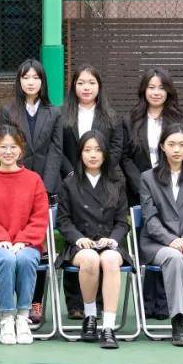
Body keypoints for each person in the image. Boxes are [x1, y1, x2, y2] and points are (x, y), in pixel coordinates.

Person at [121, 67, 183, 321]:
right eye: (151, 87)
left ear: (168, 91)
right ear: (143, 90)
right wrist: (143, 184)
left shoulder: (180, 119)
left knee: (168, 240)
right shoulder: (130, 119)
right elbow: (125, 157)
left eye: (161, 87)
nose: (156, 92)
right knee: (148, 242)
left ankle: (163, 301)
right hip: (138, 190)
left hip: (171, 190)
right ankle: (146, 300)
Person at [0, 58, 63, 325]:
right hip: (15, 186)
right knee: (15, 244)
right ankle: (16, 302)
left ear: (42, 82)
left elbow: (56, 150)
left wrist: (45, 187)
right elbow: (5, 148)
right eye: (26, 77)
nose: (31, 82)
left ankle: (36, 302)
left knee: (40, 245)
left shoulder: (54, 112)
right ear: (19, 81)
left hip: (45, 187)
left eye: (36, 77)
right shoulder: (8, 110)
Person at [0, 125, 49, 346]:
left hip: (27, 244)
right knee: (6, 259)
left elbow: (40, 216)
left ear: (21, 150)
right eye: (3, 147)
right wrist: (0, 238)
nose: (8, 152)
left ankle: (22, 317)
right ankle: (6, 318)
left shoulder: (33, 179)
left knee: (24, 258)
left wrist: (23, 240)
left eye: (13, 147)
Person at [57, 64, 124, 321]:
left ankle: (101, 307)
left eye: (91, 83)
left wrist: (103, 171)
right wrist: (72, 174)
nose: (86, 87)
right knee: (80, 244)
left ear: (99, 86)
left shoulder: (111, 116)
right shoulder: (63, 115)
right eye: (81, 83)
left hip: (103, 179)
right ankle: (77, 304)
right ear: (73, 86)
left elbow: (115, 148)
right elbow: (60, 148)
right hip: (73, 179)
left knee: (105, 253)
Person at [55, 130, 132, 350]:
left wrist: (112, 240)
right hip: (80, 245)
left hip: (109, 243)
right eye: (87, 150)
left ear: (105, 154)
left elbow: (122, 222)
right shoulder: (69, 184)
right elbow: (63, 220)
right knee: (90, 258)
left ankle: (108, 326)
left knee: (109, 260)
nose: (93, 155)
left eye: (98, 150)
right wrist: (78, 239)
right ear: (80, 154)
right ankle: (90, 317)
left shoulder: (116, 183)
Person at [138, 123, 183, 347]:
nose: (176, 149)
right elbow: (150, 218)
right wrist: (171, 240)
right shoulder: (148, 178)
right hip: (157, 243)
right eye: (171, 144)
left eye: (181, 144)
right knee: (174, 257)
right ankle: (177, 322)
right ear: (162, 146)